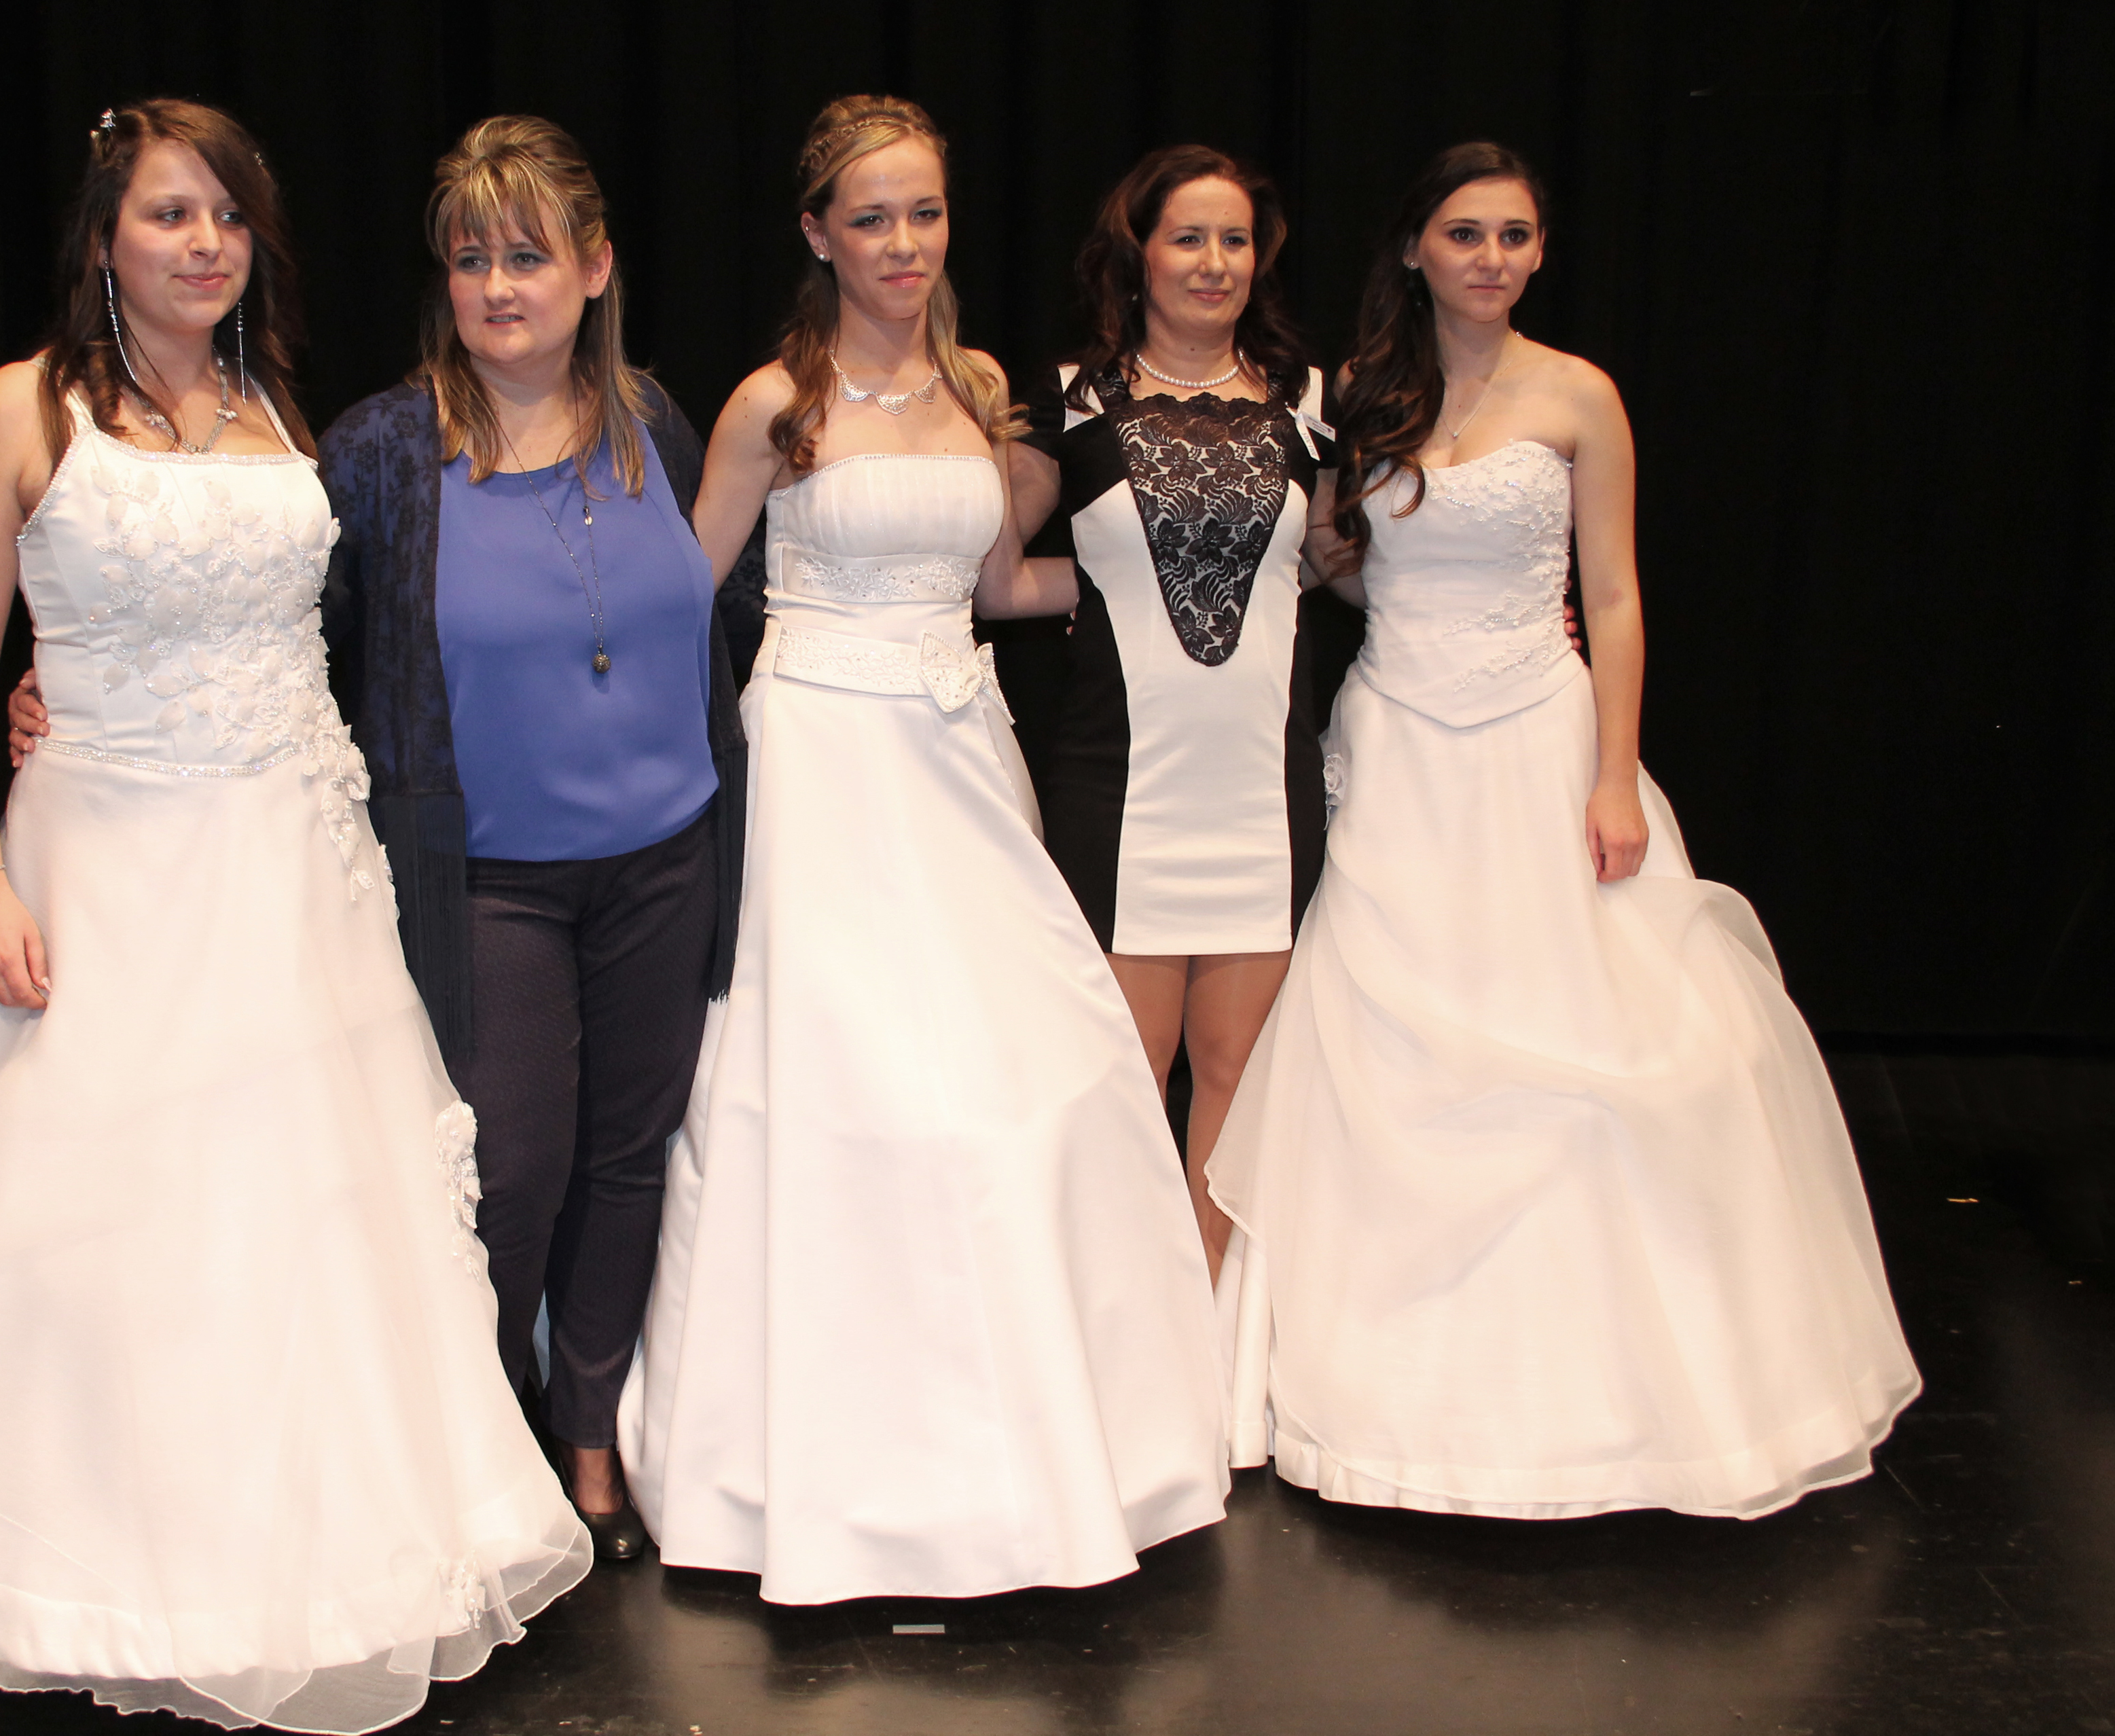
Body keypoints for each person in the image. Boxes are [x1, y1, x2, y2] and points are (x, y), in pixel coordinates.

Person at [0, 102, 590, 1731]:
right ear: (104, 238)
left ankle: (298, 1561)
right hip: (107, 872)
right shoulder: (23, 410)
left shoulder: (273, 406)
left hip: (290, 877)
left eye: (229, 216)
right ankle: (74, 1565)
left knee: (296, 1224)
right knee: (95, 1221)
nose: (206, 244)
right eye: (170, 214)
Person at [11, 116, 743, 1565]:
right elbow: (269, 613)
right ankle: (490, 1436)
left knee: (629, 1157)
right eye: (471, 259)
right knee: (507, 1171)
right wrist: (65, 686)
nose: (498, 287)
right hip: (485, 879)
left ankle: (591, 1434)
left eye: (529, 255)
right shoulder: (384, 451)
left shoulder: (657, 422)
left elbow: (728, 608)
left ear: (598, 268)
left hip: (666, 854)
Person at [1208, 143, 1921, 1517]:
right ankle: (1378, 1386)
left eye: (1515, 236)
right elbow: (1350, 568)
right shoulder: (1361, 397)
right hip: (1400, 752)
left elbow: (1620, 595)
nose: (1492, 258)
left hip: (1539, 742)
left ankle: (1614, 1402)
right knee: (1380, 1043)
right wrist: (1327, 552)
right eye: (1465, 234)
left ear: (1540, 252)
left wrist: (1615, 776)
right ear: (1415, 248)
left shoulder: (1580, 393)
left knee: (1590, 1040)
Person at [618, 94, 1229, 1605]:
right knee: (845, 1093)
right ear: (819, 234)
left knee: (1014, 1084)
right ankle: (820, 1469)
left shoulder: (981, 388)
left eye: (926, 214)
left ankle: (1023, 1448)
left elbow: (998, 585)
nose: (904, 243)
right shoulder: (775, 404)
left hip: (960, 760)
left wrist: (1158, 578)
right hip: (825, 767)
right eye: (872, 218)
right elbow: (679, 592)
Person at [1007, 144, 1335, 1282]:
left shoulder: (1310, 401)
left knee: (1238, 1077)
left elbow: (1341, 564)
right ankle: (1123, 1328)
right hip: (1121, 788)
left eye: (1235, 240)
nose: (1214, 262)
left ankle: (1209, 1338)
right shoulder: (1070, 401)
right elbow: (994, 577)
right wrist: (1102, 590)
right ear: (1138, 252)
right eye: (1188, 238)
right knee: (1126, 1079)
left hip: (1262, 792)